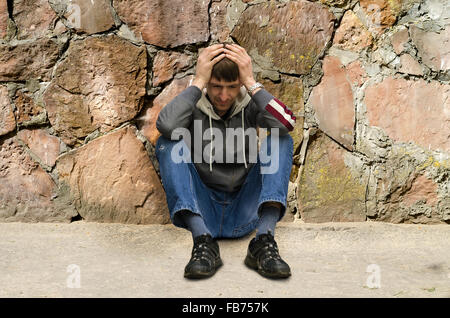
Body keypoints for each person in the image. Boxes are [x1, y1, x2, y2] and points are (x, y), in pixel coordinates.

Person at [155, 43, 296, 279]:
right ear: (206, 82)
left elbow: (286, 123)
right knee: (167, 142)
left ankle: (263, 240)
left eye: (232, 87)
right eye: (216, 86)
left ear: (240, 83)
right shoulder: (192, 105)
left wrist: (251, 82)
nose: (223, 96)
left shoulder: (250, 103)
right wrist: (198, 82)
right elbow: (167, 125)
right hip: (203, 209)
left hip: (245, 207)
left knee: (281, 140)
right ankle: (203, 242)